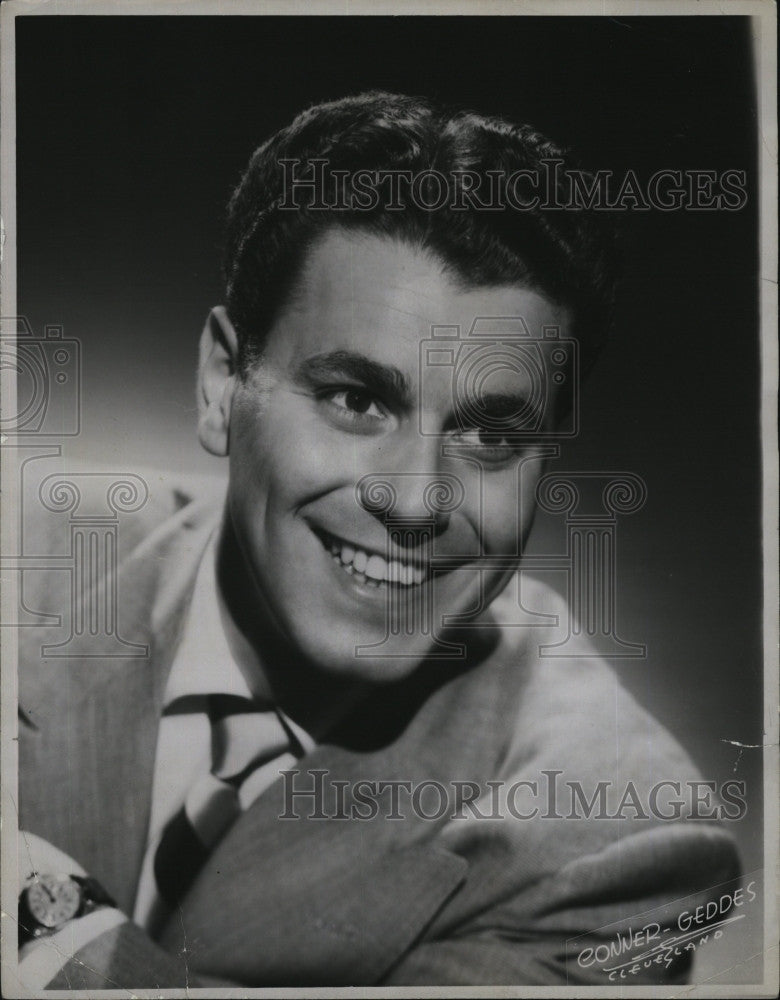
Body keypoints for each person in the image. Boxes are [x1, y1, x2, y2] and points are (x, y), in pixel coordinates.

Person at [16, 92, 739, 989]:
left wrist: (44, 924)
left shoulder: (618, 843)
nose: (415, 500)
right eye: (357, 400)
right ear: (219, 384)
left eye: (492, 437)